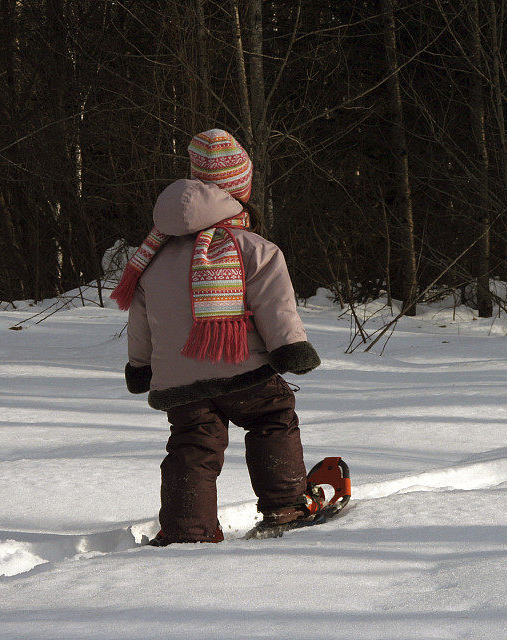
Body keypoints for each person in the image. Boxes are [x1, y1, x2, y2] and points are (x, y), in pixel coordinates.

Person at [112, 129, 321, 546]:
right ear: (241, 192)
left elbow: (141, 320)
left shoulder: (151, 257)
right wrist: (289, 348)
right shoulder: (254, 247)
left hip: (178, 380)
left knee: (193, 446)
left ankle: (187, 530)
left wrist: (141, 367)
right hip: (243, 367)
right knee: (271, 417)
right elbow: (275, 306)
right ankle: (285, 504)